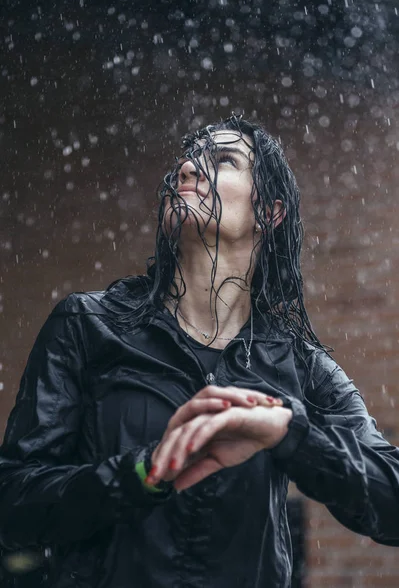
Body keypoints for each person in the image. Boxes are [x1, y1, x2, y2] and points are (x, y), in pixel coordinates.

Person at [0, 115, 399, 588]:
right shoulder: (88, 326)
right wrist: (142, 474)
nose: (188, 168)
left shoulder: (303, 368)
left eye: (223, 160)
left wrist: (291, 433)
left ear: (269, 213)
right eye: (188, 159)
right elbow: (13, 504)